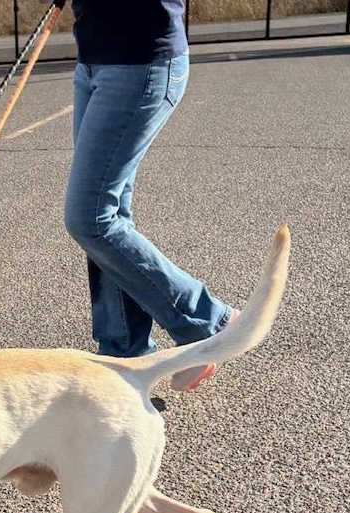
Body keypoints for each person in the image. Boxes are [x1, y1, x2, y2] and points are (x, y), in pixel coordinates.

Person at [64, 0, 236, 391]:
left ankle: (208, 323)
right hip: (94, 61)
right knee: (109, 214)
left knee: (91, 219)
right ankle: (127, 355)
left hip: (141, 62)